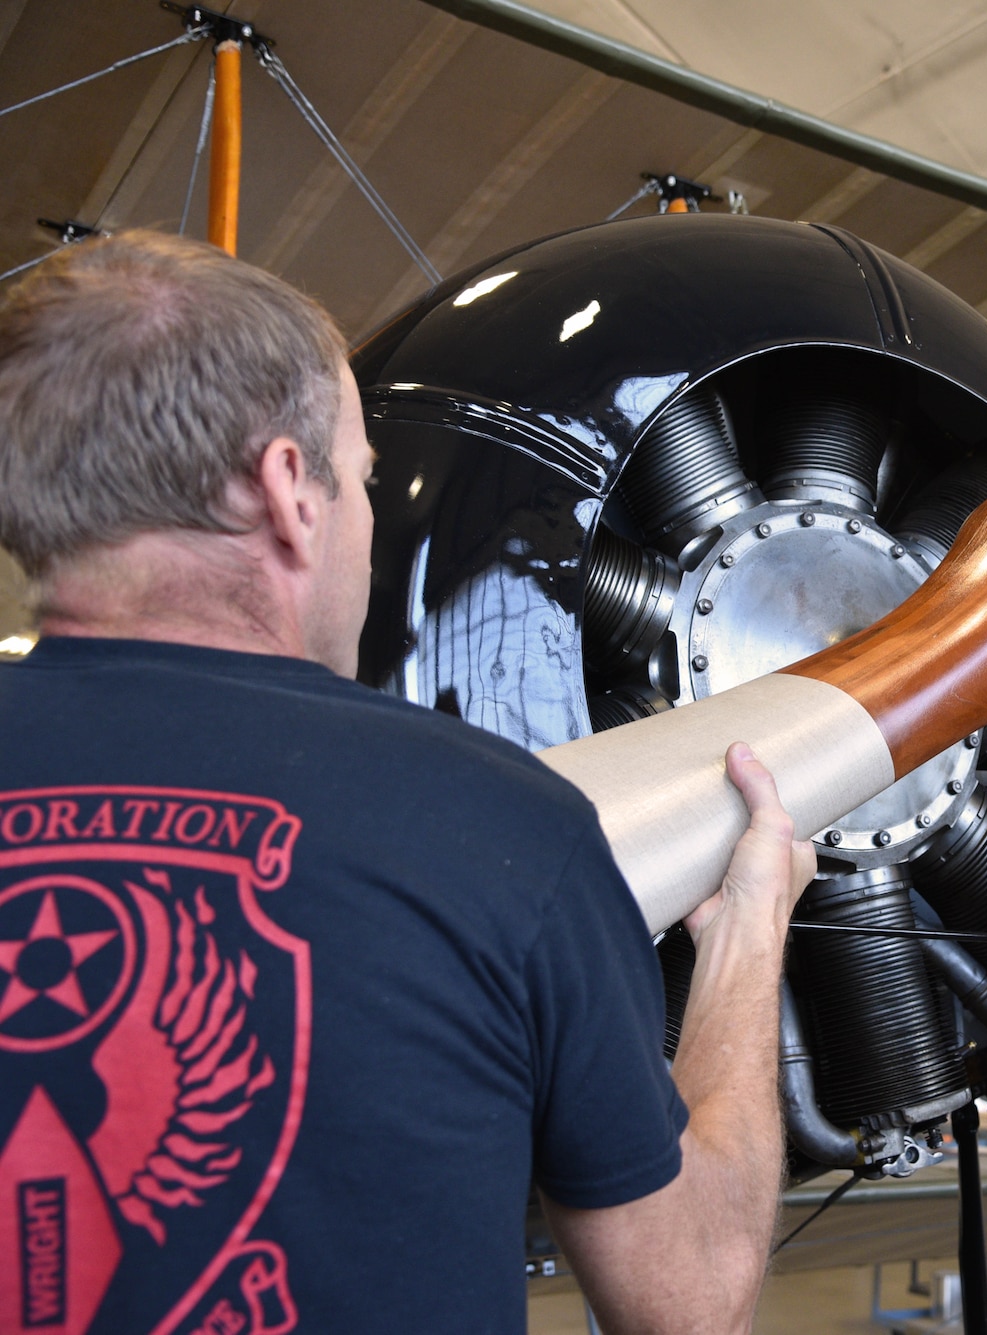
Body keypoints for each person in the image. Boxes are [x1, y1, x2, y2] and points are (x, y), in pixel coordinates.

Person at [0, 230, 808, 1334]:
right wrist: (749, 929)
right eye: (362, 478)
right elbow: (691, 1298)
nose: (366, 522)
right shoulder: (503, 825)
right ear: (290, 489)